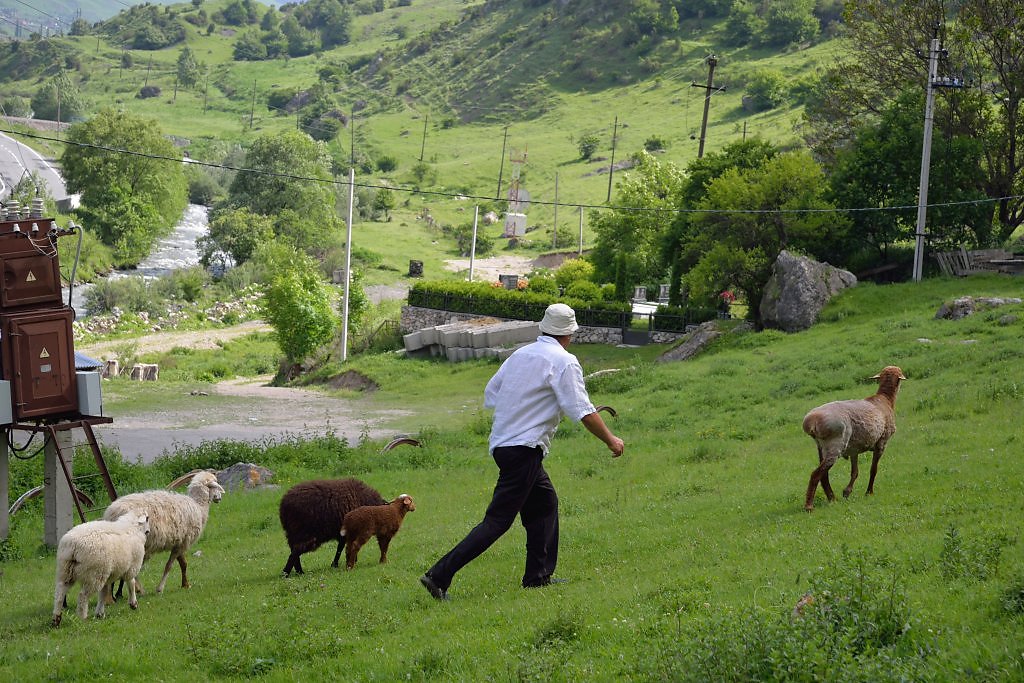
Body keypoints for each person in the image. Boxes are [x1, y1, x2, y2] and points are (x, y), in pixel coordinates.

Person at [420, 303, 625, 601]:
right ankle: (438, 576)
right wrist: (611, 440)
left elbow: (492, 394)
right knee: (497, 521)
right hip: (523, 449)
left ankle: (538, 577)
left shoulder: (521, 355)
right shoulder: (563, 361)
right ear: (569, 333)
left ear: (543, 328)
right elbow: (582, 410)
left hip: (504, 445)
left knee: (544, 504)